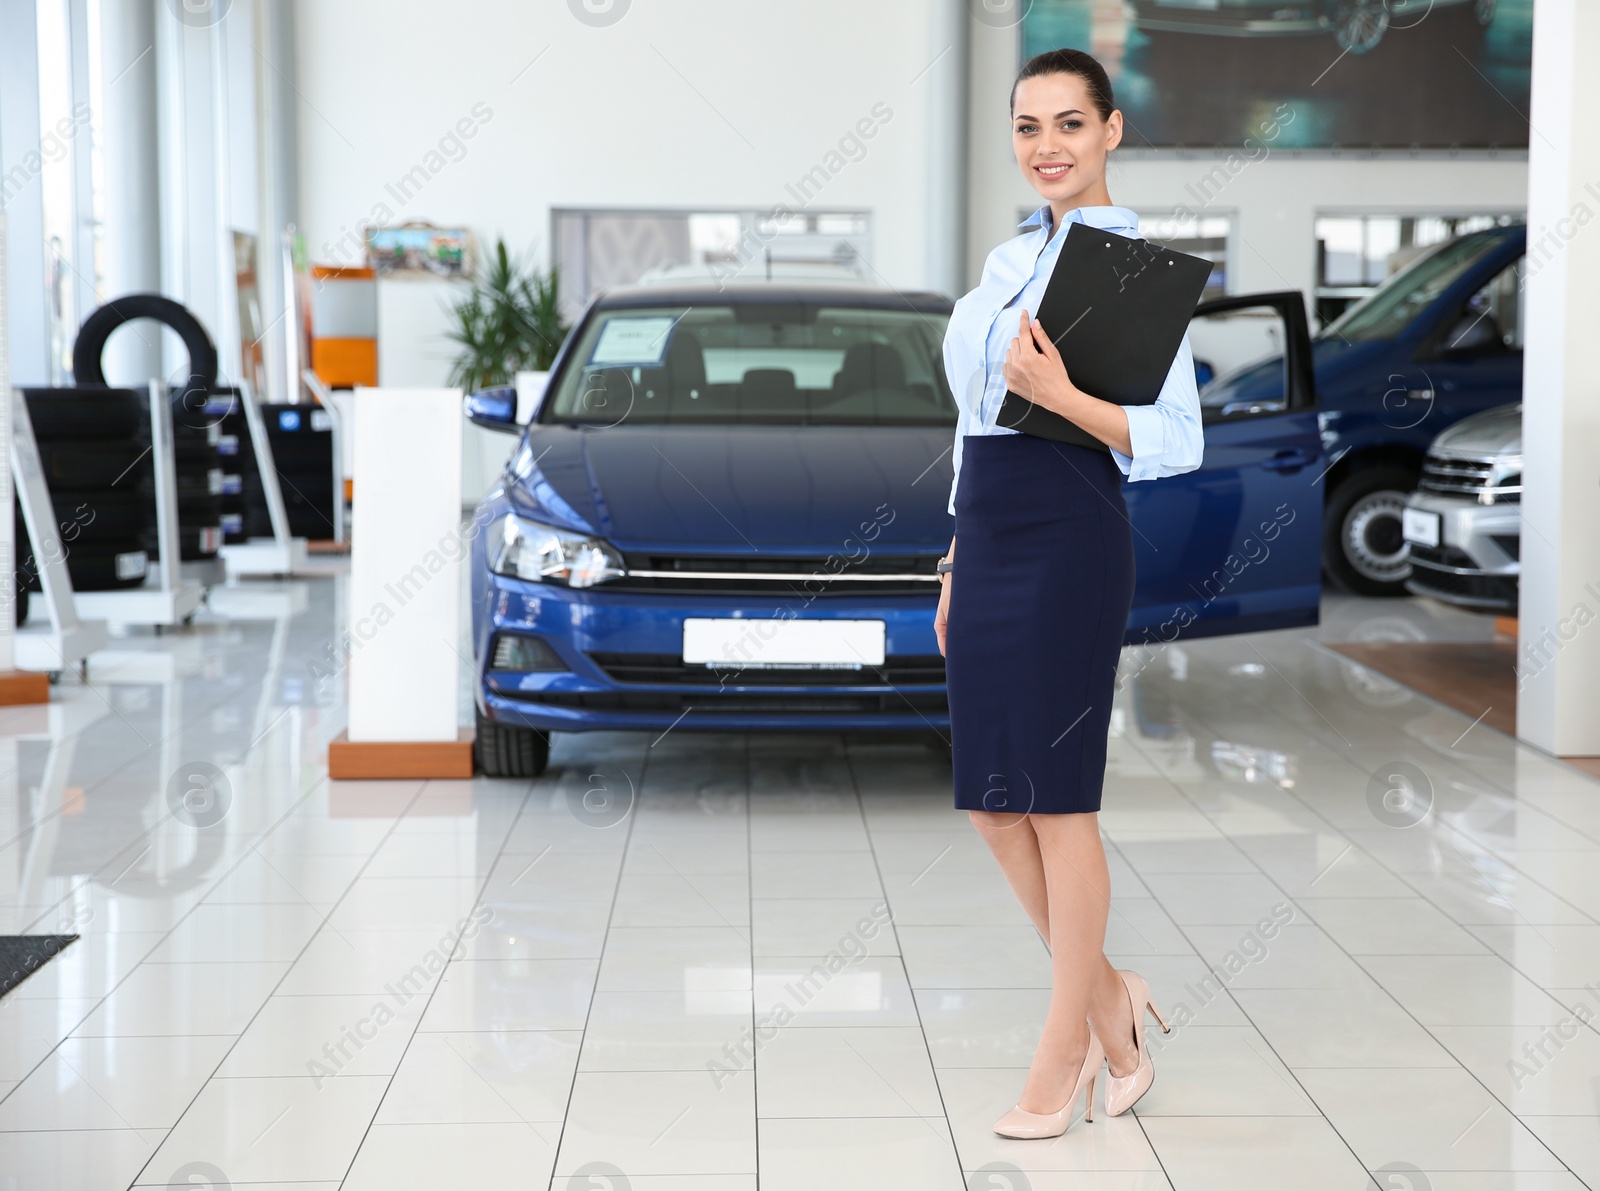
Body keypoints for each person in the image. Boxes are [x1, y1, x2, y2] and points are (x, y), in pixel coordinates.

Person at [933, 46, 1202, 1140]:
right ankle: (1111, 1002)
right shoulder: (1002, 267)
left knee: (1057, 801)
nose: (1046, 146)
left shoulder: (1133, 271)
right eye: (1027, 126)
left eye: (1068, 126)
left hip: (1071, 531)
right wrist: (952, 559)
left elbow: (1175, 441)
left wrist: (1061, 393)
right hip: (989, 535)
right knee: (995, 806)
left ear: (1111, 134)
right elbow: (964, 428)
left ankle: (1065, 1053)